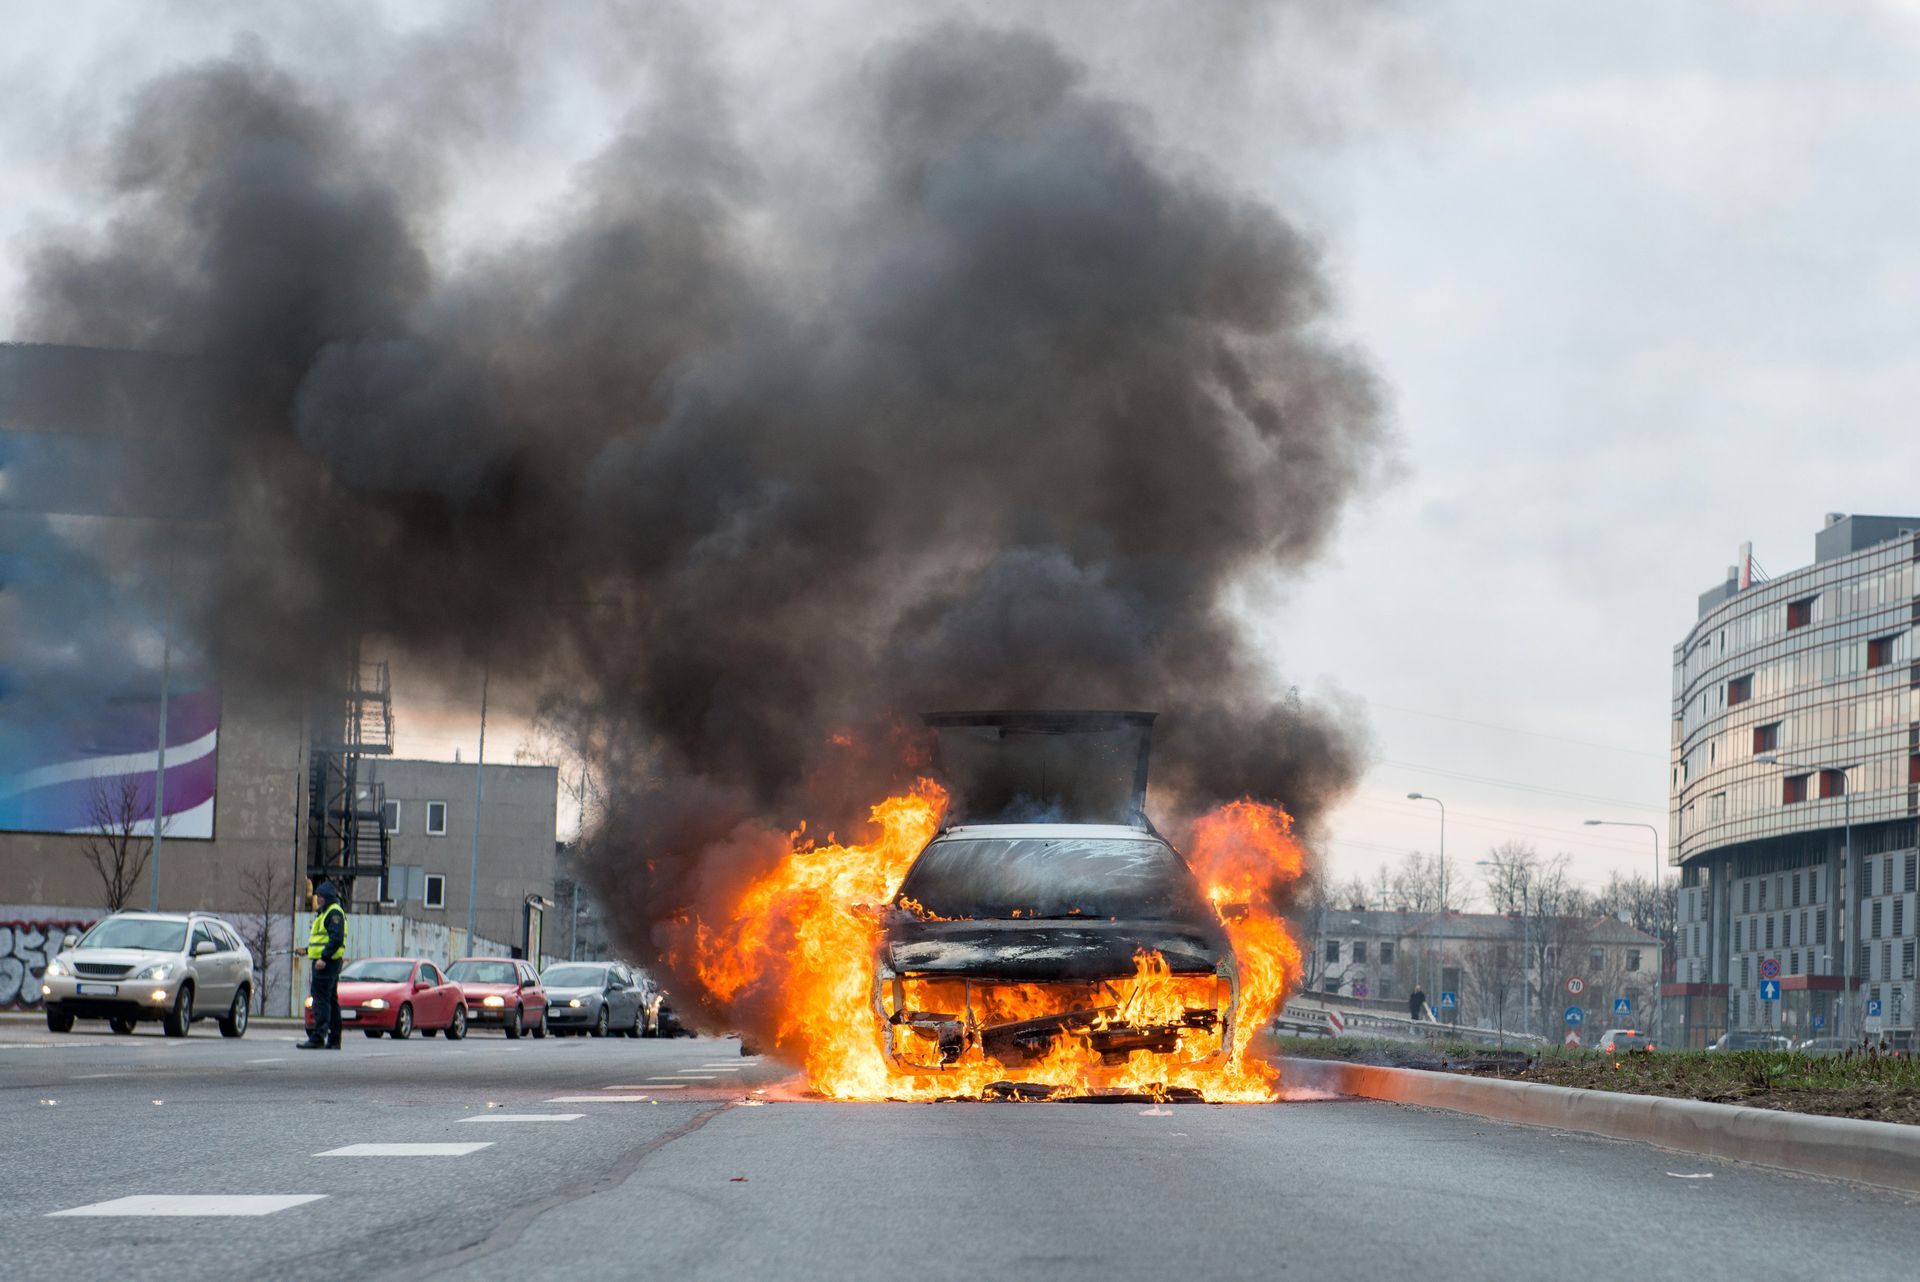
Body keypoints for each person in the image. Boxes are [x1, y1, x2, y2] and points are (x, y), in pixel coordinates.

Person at [298, 879, 347, 1050]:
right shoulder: (326, 912)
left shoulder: (333, 913)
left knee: (321, 1000)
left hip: (326, 964)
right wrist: (307, 950)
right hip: (326, 962)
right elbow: (323, 940)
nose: (317, 899)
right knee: (331, 1001)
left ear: (326, 897)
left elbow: (335, 940)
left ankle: (318, 1037)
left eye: (320, 896)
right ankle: (334, 1040)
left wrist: (323, 959)